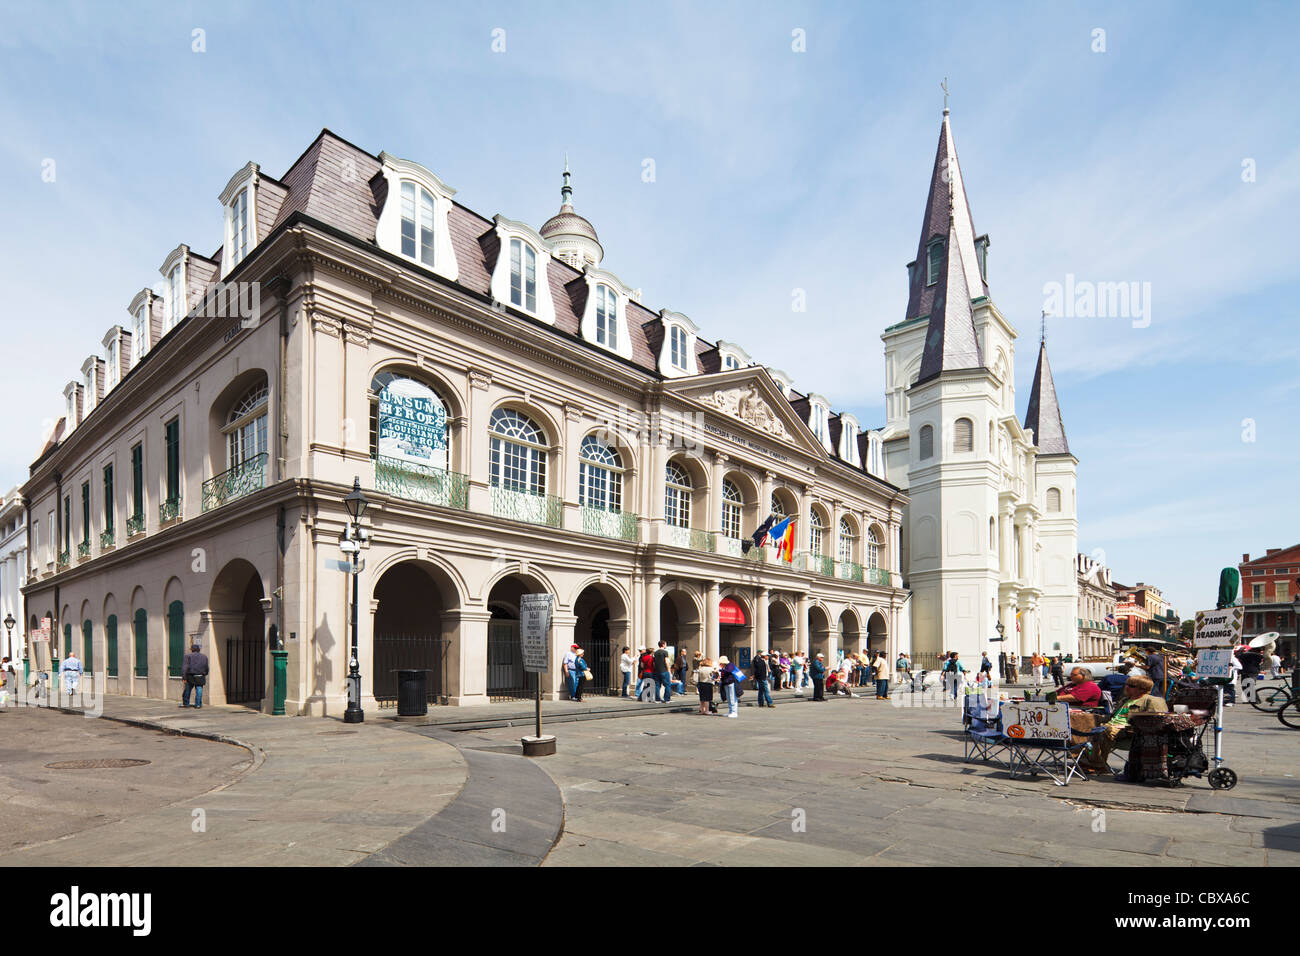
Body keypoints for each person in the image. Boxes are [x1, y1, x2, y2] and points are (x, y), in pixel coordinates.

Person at [1080, 675, 1169, 774]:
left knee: (1104, 730)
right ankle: (1083, 761)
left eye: (1131, 685)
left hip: (1130, 732)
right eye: (1126, 684)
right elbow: (1111, 717)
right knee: (1083, 724)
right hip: (1111, 727)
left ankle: (1096, 765)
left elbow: (1157, 721)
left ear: (1142, 689)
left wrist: (1128, 726)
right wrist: (1086, 716)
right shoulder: (1125, 700)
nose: (1126, 687)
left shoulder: (1152, 700)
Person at [181, 642, 209, 708]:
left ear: (192, 649)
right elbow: (206, 667)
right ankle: (198, 704)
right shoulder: (204, 657)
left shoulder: (187, 656)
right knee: (199, 690)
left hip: (190, 676)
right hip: (200, 676)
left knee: (187, 690)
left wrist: (184, 676)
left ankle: (186, 704)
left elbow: (185, 667)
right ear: (199, 649)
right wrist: (205, 673)